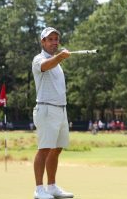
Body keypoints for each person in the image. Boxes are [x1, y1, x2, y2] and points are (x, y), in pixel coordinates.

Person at [32, 27, 74, 199]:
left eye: (56, 39)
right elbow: (45, 66)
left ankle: (52, 186)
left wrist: (59, 58)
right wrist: (60, 57)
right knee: (44, 149)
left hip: (61, 110)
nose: (54, 42)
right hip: (46, 109)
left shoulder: (57, 63)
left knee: (56, 149)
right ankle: (39, 189)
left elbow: (54, 63)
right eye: (50, 39)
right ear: (43, 42)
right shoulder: (39, 59)